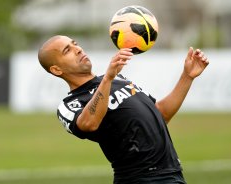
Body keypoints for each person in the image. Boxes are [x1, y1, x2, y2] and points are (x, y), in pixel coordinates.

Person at [38, 35, 209, 184]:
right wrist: (107, 78)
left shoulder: (118, 79)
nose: (78, 49)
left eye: (75, 43)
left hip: (171, 173)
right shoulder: (70, 104)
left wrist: (187, 76)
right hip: (140, 178)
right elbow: (89, 123)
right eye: (67, 50)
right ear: (56, 69)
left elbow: (160, 114)